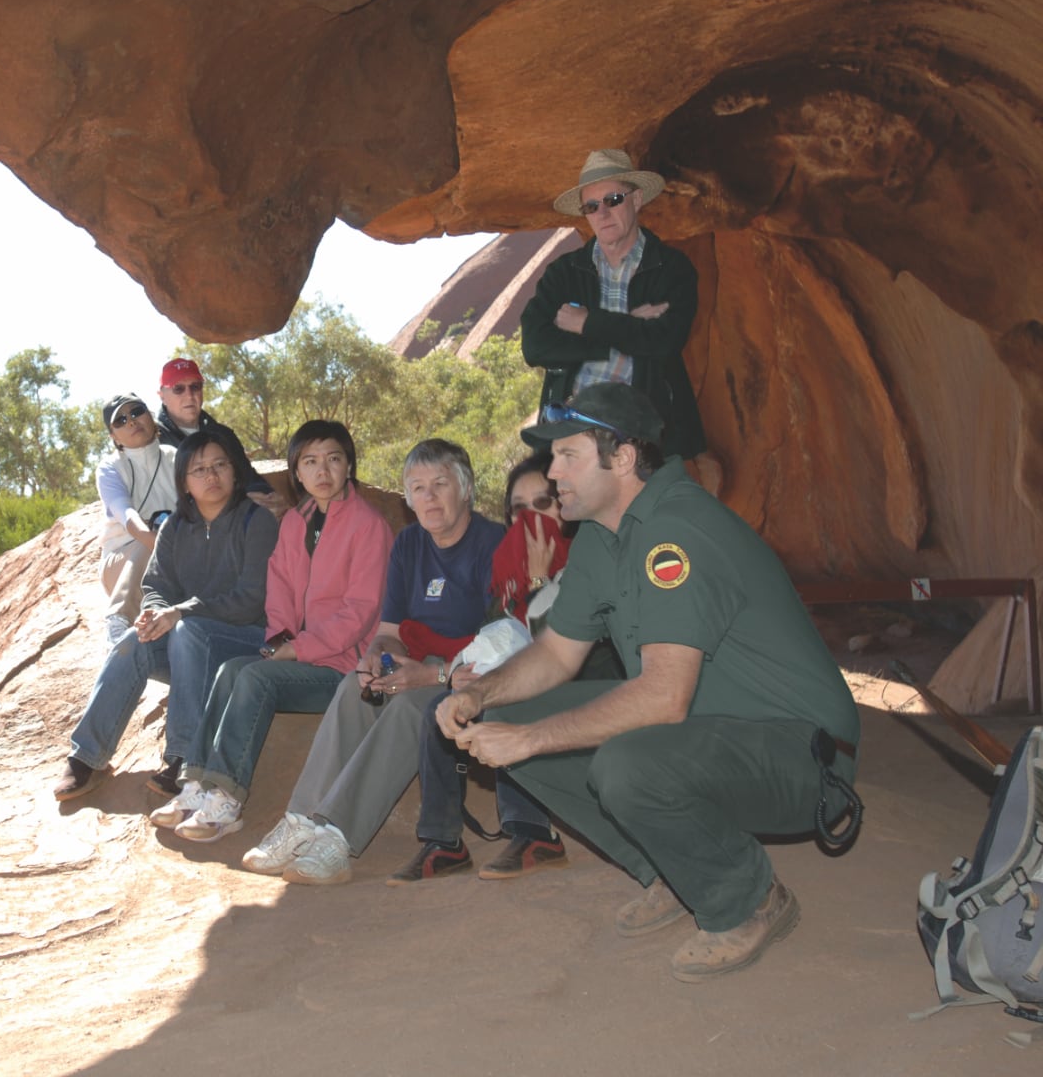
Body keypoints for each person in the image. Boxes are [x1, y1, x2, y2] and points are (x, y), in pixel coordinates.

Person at [437, 383, 861, 982]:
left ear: (625, 458)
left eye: (568, 455)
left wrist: (531, 741)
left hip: (802, 754)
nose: (552, 471)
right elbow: (556, 654)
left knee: (624, 762)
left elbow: (663, 698)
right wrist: (482, 693)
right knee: (514, 721)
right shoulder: (600, 539)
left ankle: (749, 899)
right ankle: (671, 867)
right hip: (710, 734)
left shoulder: (676, 530)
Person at [242, 438, 503, 885]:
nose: (429, 497)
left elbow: (504, 643)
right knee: (356, 687)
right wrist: (375, 659)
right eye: (417, 487)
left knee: (407, 708)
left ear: (466, 489)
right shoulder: (409, 545)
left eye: (440, 484)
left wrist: (433, 674)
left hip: (475, 671)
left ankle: (338, 836)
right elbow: (389, 630)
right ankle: (302, 820)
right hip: (419, 663)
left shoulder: (493, 544)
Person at [149, 420, 394, 842]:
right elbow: (278, 591)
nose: (323, 471)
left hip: (343, 666)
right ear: (296, 473)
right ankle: (195, 787)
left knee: (255, 679)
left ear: (349, 466)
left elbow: (360, 612)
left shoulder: (368, 525)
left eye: (334, 459)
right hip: (298, 653)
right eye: (310, 462)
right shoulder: (296, 523)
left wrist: (298, 651)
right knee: (231, 671)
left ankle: (225, 800)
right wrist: (279, 642)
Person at [54, 429, 278, 802]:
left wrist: (180, 613)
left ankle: (182, 757)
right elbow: (155, 584)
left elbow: (253, 600)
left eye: (220, 465)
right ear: (184, 483)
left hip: (248, 641)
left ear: (235, 472)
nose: (211, 476)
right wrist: (154, 612)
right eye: (199, 469)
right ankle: (87, 757)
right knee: (133, 642)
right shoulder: (176, 526)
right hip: (189, 648)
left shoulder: (257, 522)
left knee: (188, 629)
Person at [387, 453, 572, 884]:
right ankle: (443, 843)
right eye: (520, 510)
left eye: (543, 505)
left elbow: (561, 650)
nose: (532, 520)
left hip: (578, 685)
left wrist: (541, 582)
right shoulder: (508, 565)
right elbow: (495, 630)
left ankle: (534, 834)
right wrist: (465, 673)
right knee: (443, 708)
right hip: (521, 674)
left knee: (506, 705)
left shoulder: (587, 557)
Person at [520, 148, 707, 464]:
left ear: (636, 200)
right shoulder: (564, 273)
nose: (602, 213)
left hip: (644, 433)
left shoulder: (672, 268)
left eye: (613, 200)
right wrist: (622, 326)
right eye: (591, 206)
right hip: (571, 424)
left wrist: (587, 323)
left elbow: (665, 340)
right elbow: (535, 346)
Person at [154, 357, 286, 517]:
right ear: (161, 395)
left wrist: (267, 497)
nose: (189, 395)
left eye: (195, 387)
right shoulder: (154, 441)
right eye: (178, 388)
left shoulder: (222, 434)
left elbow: (248, 478)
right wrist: (238, 503)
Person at [95, 393, 178, 649]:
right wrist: (157, 541)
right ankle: (119, 620)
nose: (131, 421)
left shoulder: (176, 457)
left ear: (149, 415)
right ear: (113, 436)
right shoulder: (110, 468)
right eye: (120, 420)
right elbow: (126, 514)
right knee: (150, 543)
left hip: (176, 556)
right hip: (123, 562)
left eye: (136, 412)